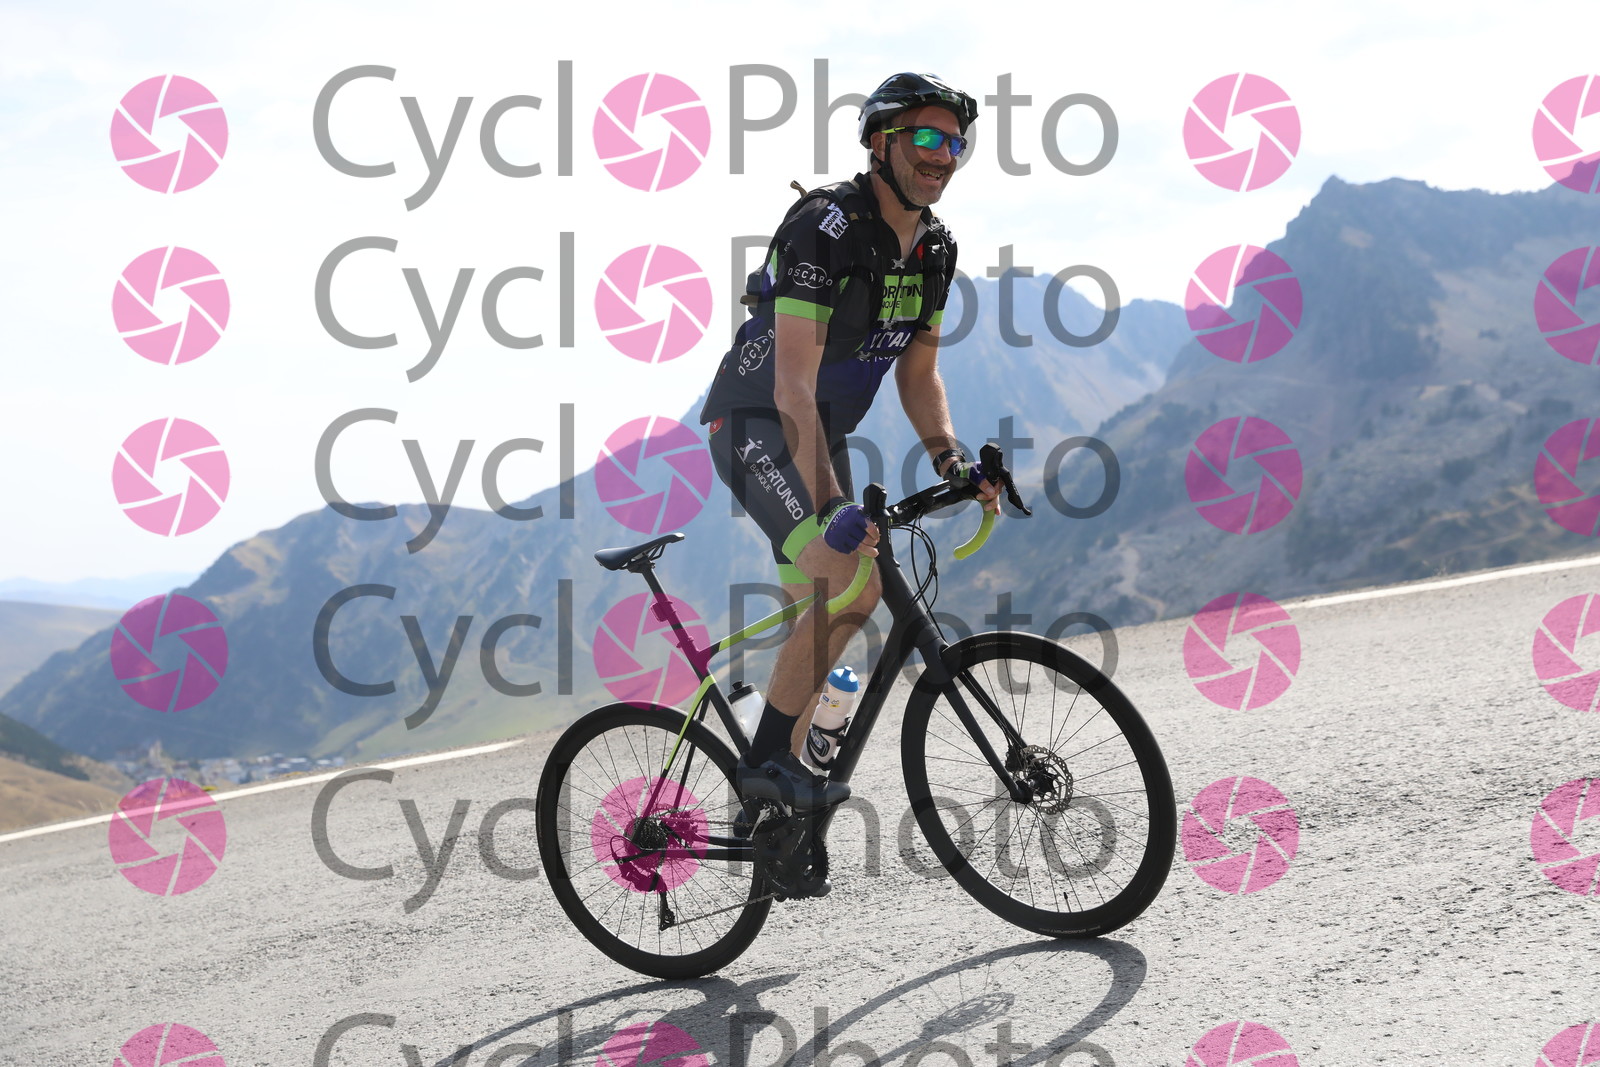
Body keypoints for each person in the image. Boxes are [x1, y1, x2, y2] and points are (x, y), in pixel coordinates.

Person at [700, 72, 1000, 810]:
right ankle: (765, 763)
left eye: (955, 143)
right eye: (925, 136)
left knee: (826, 621)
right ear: (879, 142)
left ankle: (772, 823)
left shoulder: (935, 250)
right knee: (855, 584)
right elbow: (791, 387)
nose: (943, 154)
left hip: (818, 433)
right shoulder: (824, 227)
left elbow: (919, 373)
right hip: (758, 424)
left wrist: (951, 458)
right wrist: (832, 502)